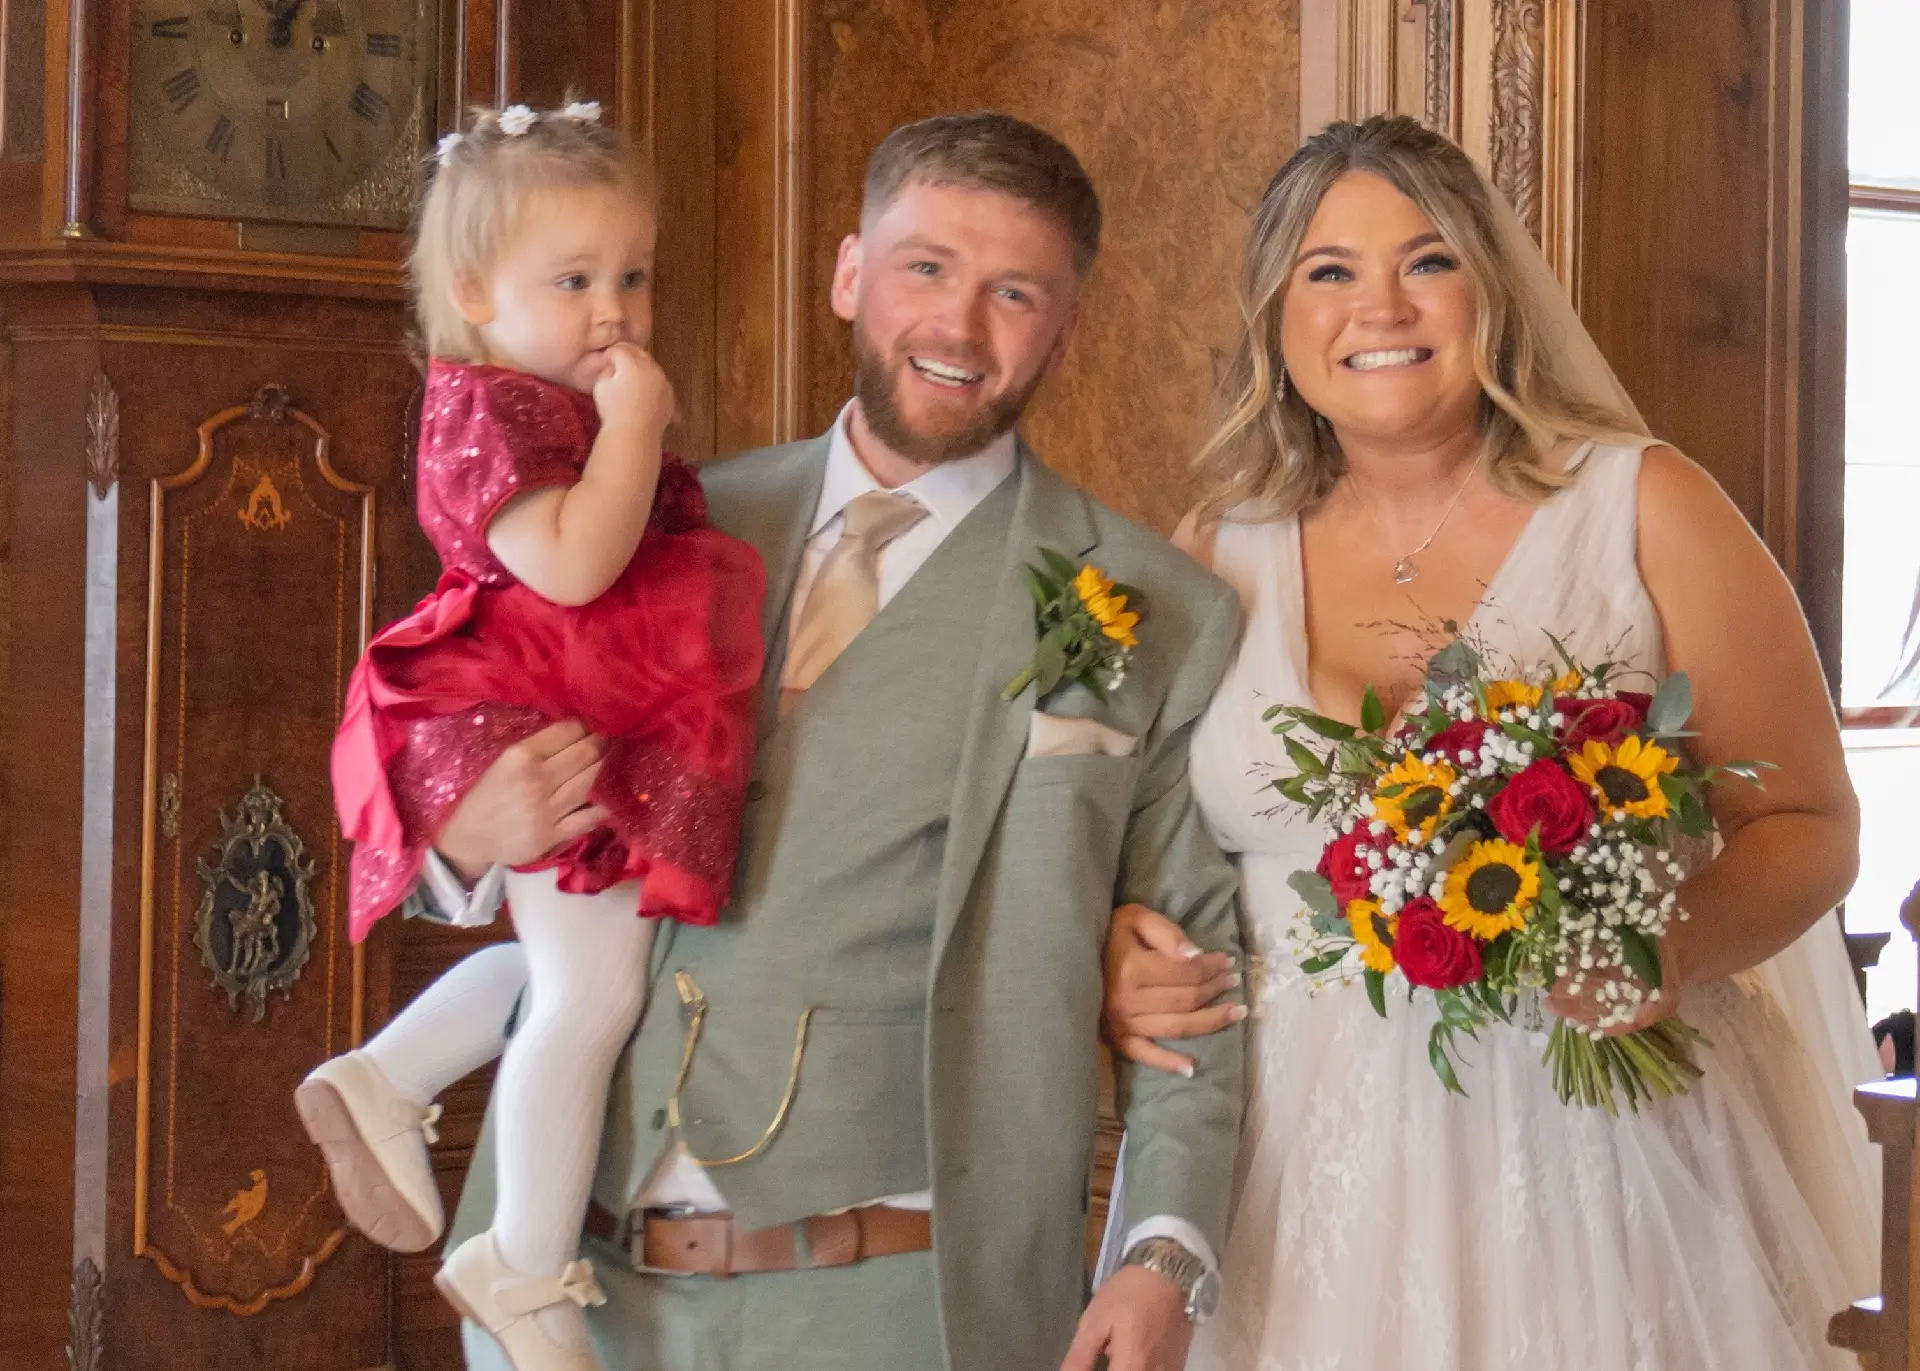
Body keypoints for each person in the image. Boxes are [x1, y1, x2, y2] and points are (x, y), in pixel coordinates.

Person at [311, 113, 1248, 1371]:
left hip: (895, 1301)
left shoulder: (1153, 605)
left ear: (1065, 329)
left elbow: (1200, 976)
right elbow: (458, 700)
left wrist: (1162, 1257)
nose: (958, 328)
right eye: (926, 269)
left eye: (1012, 292)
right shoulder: (651, 513)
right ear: (851, 275)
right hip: (574, 1292)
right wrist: (467, 837)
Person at [1101, 115, 1882, 1370]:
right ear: (1279, 315)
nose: (1380, 306)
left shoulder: (1645, 506)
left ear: (1490, 290)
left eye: (1427, 261)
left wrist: (1664, 950)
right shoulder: (1213, 554)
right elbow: (1160, 863)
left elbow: (1810, 826)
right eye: (1330, 271)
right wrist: (1124, 947)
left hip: (1594, 1163)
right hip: (1290, 1175)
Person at [295, 102, 765, 1371]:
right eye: (575, 280)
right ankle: (524, 1263)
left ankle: (387, 1078)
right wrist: (638, 429)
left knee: (575, 972)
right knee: (590, 989)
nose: (613, 310)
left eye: (634, 276)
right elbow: (569, 564)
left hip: (560, 696)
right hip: (532, 694)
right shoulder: (494, 412)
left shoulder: (535, 397)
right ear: (473, 292)